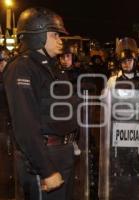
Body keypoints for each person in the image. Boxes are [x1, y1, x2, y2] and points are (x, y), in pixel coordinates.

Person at [3, 7, 78, 200]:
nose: (60, 40)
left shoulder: (53, 68)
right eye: (55, 35)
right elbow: (25, 124)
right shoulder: (22, 67)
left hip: (62, 154)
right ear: (37, 35)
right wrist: (46, 170)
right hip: (44, 157)